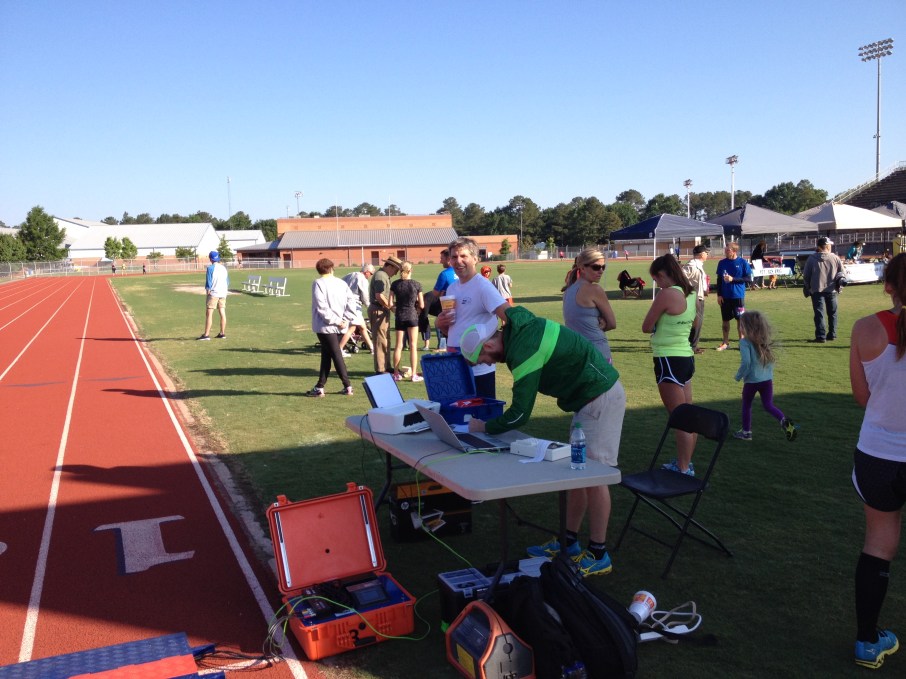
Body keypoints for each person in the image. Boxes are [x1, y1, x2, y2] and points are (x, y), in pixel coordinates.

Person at [459, 306, 626, 577]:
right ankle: (568, 541)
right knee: (579, 474)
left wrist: (484, 427)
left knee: (596, 477)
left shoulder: (523, 350)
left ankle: (599, 554)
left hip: (600, 399)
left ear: (488, 344)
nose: (488, 363)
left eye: (484, 358)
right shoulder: (519, 332)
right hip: (588, 401)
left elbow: (520, 413)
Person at [850, 253, 906, 669]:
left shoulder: (865, 328)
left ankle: (867, 642)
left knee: (877, 546)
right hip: (882, 453)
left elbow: (863, 397)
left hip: (878, 455)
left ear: (888, 286)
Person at [642, 254, 696, 476]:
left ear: (663, 274)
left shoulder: (666, 294)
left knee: (679, 418)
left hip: (667, 358)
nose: (656, 283)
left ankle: (683, 469)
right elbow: (696, 322)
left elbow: (646, 326)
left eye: (656, 279)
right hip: (686, 357)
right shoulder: (691, 292)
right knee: (688, 415)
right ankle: (686, 464)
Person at [436, 238, 509, 398]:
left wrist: (498, 346)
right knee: (457, 411)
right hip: (455, 362)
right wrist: (440, 324)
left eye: (464, 256)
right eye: (454, 257)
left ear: (475, 259)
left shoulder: (483, 286)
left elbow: (509, 316)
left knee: (481, 411)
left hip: (479, 367)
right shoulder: (452, 288)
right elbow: (454, 330)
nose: (458, 261)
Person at [732, 311, 798, 442]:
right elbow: (770, 361)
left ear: (748, 327)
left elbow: (746, 362)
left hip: (752, 381)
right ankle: (784, 421)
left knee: (746, 405)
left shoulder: (744, 342)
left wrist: (738, 376)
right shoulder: (764, 339)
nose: (739, 328)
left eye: (741, 325)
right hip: (767, 380)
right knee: (768, 405)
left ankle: (746, 433)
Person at [308, 258, 356, 397]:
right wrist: (345, 319)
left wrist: (338, 321)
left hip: (326, 326)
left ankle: (347, 385)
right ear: (331, 268)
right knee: (326, 355)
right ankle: (320, 386)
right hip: (340, 325)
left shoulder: (318, 283)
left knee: (335, 354)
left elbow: (321, 306)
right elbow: (351, 302)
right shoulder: (341, 283)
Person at [562, 248, 616, 363]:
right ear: (582, 268)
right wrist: (602, 324)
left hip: (576, 354)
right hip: (597, 353)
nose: (601, 271)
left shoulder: (568, 291)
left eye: (603, 267)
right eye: (596, 267)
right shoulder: (595, 289)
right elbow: (612, 324)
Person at [803, 236, 844, 343]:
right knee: (832, 313)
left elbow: (806, 275)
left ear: (819, 246)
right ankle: (832, 334)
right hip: (832, 289)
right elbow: (842, 274)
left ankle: (821, 336)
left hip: (817, 289)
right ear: (827, 246)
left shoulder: (812, 258)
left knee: (819, 314)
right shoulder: (835, 258)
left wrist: (807, 287)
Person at [390, 261, 425, 382]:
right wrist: (417, 311)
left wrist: (395, 310)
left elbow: (390, 303)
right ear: (411, 270)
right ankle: (414, 374)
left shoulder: (395, 284)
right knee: (413, 346)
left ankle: (396, 373)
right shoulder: (416, 284)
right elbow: (421, 304)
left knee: (398, 345)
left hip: (400, 316)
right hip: (412, 316)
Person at [368, 255, 403, 374]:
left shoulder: (383, 275)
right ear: (391, 266)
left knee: (385, 339)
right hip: (379, 310)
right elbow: (379, 296)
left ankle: (386, 366)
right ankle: (380, 369)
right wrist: (391, 307)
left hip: (382, 309)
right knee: (380, 340)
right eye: (396, 270)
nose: (396, 273)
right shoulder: (381, 276)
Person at [715, 242, 752, 351]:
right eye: (725, 250)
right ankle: (725, 343)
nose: (726, 252)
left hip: (738, 296)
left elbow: (748, 278)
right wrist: (719, 295)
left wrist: (733, 279)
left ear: (734, 251)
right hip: (725, 297)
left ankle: (742, 343)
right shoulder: (722, 263)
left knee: (740, 320)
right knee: (725, 320)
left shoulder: (742, 262)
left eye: (728, 250)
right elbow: (719, 280)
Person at [340, 264, 375, 355]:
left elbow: (339, 284)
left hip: (345, 304)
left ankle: (372, 347)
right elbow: (365, 295)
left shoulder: (350, 275)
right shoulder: (363, 279)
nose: (370, 276)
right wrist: (368, 305)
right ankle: (339, 349)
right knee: (352, 327)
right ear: (367, 272)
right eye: (371, 274)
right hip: (354, 305)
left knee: (362, 327)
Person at [683, 245, 710, 354]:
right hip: (694, 298)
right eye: (706, 253)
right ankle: (692, 346)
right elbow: (681, 278)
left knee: (697, 322)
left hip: (698, 296)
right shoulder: (692, 265)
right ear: (701, 254)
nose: (707, 255)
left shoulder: (697, 264)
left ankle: (693, 345)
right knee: (696, 322)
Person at [198, 250, 228, 340]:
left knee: (209, 313)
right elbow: (227, 281)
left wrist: (208, 290)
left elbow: (209, 281)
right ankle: (222, 333)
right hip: (223, 293)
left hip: (214, 293)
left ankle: (206, 335)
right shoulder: (224, 268)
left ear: (210, 259)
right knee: (222, 312)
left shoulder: (210, 268)